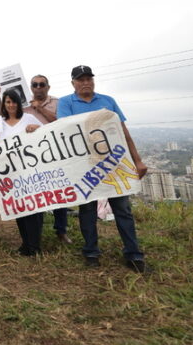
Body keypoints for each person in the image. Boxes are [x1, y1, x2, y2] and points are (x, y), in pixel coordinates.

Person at [57, 65, 149, 273]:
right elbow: (64, 130)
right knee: (87, 210)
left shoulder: (108, 101)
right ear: (73, 83)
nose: (85, 82)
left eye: (89, 78)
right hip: (85, 167)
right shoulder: (65, 103)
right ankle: (91, 251)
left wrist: (138, 160)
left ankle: (134, 254)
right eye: (80, 80)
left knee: (123, 209)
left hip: (114, 165)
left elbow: (123, 132)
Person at [23, 74, 71, 244]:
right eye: (34, 85)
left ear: (48, 87)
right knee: (38, 191)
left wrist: (40, 109)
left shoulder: (58, 103)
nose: (38, 88)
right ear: (31, 87)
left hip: (55, 152)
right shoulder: (24, 106)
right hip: (34, 156)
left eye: (41, 84)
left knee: (59, 192)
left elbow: (62, 124)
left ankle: (61, 230)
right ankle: (38, 232)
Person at [0, 88, 45, 256]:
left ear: (19, 103)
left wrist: (37, 128)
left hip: (30, 171)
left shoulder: (28, 118)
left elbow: (46, 135)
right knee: (19, 208)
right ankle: (25, 243)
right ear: (4, 104)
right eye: (8, 102)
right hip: (11, 173)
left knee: (33, 208)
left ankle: (34, 246)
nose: (11, 105)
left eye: (14, 101)